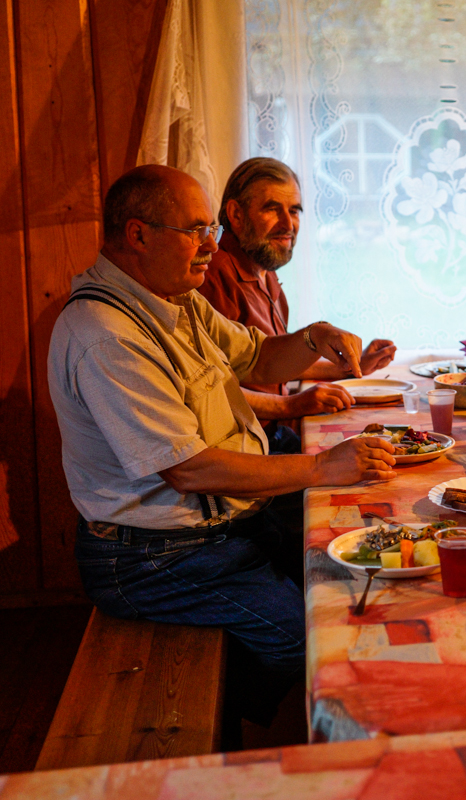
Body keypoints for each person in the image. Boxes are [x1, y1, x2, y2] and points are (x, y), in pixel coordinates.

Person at [48, 164, 399, 724]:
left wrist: (314, 338)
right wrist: (320, 468)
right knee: (313, 640)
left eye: (211, 229)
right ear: (138, 235)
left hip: (222, 532)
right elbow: (187, 471)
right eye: (195, 230)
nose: (212, 245)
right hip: (151, 559)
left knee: (360, 576)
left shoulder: (174, 300)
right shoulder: (105, 334)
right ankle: (206, 736)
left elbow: (256, 359)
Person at [197, 157, 396, 450]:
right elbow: (210, 391)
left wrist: (350, 367)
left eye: (294, 211)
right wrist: (291, 405)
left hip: (273, 435)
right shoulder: (211, 278)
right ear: (236, 215)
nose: (288, 224)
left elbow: (269, 364)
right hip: (245, 448)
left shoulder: (264, 271)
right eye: (271, 209)